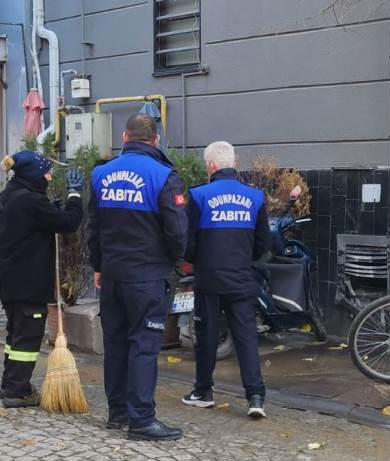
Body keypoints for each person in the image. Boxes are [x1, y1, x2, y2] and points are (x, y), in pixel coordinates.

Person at [88, 114, 188, 441]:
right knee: (143, 346)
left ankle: (117, 413)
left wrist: (99, 267)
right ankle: (142, 420)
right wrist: (174, 263)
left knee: (116, 345)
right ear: (155, 140)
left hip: (113, 276)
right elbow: (176, 231)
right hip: (147, 277)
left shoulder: (100, 174)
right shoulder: (163, 176)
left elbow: (95, 228)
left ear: (124, 136)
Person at [182, 141, 270, 418]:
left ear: (210, 166)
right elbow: (263, 243)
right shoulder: (255, 197)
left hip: (208, 279)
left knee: (206, 337)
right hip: (242, 278)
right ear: (235, 163)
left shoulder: (198, 196)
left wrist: (197, 261)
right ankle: (255, 396)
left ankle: (203, 391)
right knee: (246, 337)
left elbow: (189, 243)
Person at [0, 150, 84, 408]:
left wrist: (48, 210)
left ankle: (9, 384)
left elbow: (28, 225)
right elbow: (69, 223)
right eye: (46, 172)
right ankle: (17, 392)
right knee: (27, 338)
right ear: (34, 174)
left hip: (8, 279)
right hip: (27, 282)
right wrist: (74, 194)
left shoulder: (8, 195)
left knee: (15, 334)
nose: (50, 175)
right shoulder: (31, 201)